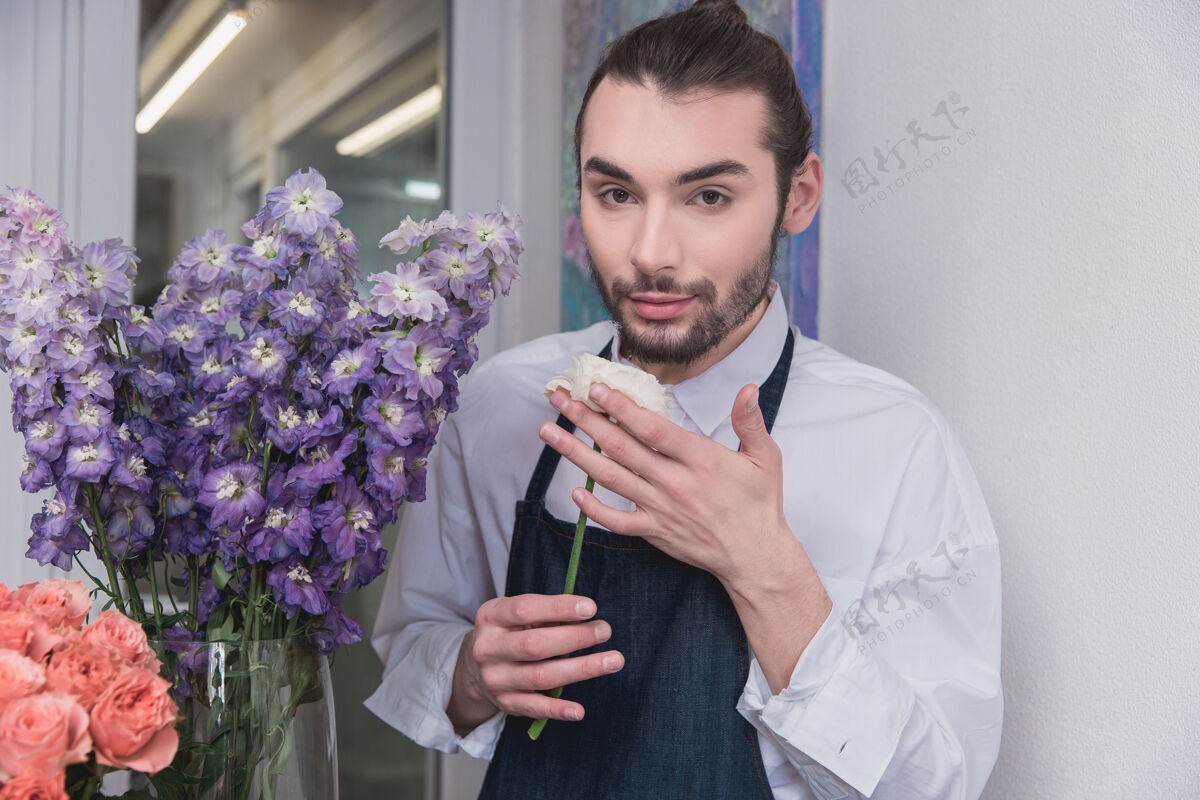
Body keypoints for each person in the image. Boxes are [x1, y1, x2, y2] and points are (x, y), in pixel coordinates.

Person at [366, 1, 1003, 797]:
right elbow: (412, 642)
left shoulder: (895, 442)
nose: (651, 255)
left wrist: (768, 572)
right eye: (617, 194)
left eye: (708, 197)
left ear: (798, 195)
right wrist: (470, 674)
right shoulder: (497, 406)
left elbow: (938, 783)